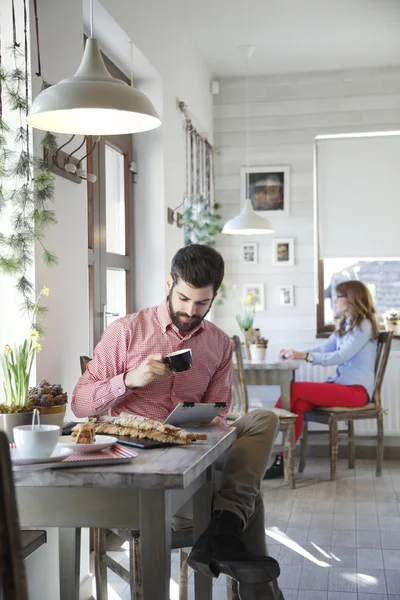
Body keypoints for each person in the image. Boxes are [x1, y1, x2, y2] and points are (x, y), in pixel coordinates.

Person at [72, 244, 284, 600]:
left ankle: (223, 525)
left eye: (201, 303)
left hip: (193, 457)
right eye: (184, 298)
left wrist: (203, 420)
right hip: (139, 467)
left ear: (215, 295)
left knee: (263, 419)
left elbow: (219, 412)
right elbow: (79, 403)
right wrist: (129, 380)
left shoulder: (218, 343)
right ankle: (224, 530)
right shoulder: (125, 331)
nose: (190, 311)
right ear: (169, 282)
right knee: (248, 499)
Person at [265, 280, 379, 479]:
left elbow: (340, 356)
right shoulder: (346, 324)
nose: (334, 301)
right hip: (343, 387)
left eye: (338, 296)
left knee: (292, 390)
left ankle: (264, 442)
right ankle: (282, 461)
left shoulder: (364, 325)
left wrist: (306, 357)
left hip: (356, 392)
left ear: (351, 298)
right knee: (298, 404)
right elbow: (325, 348)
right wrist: (297, 352)